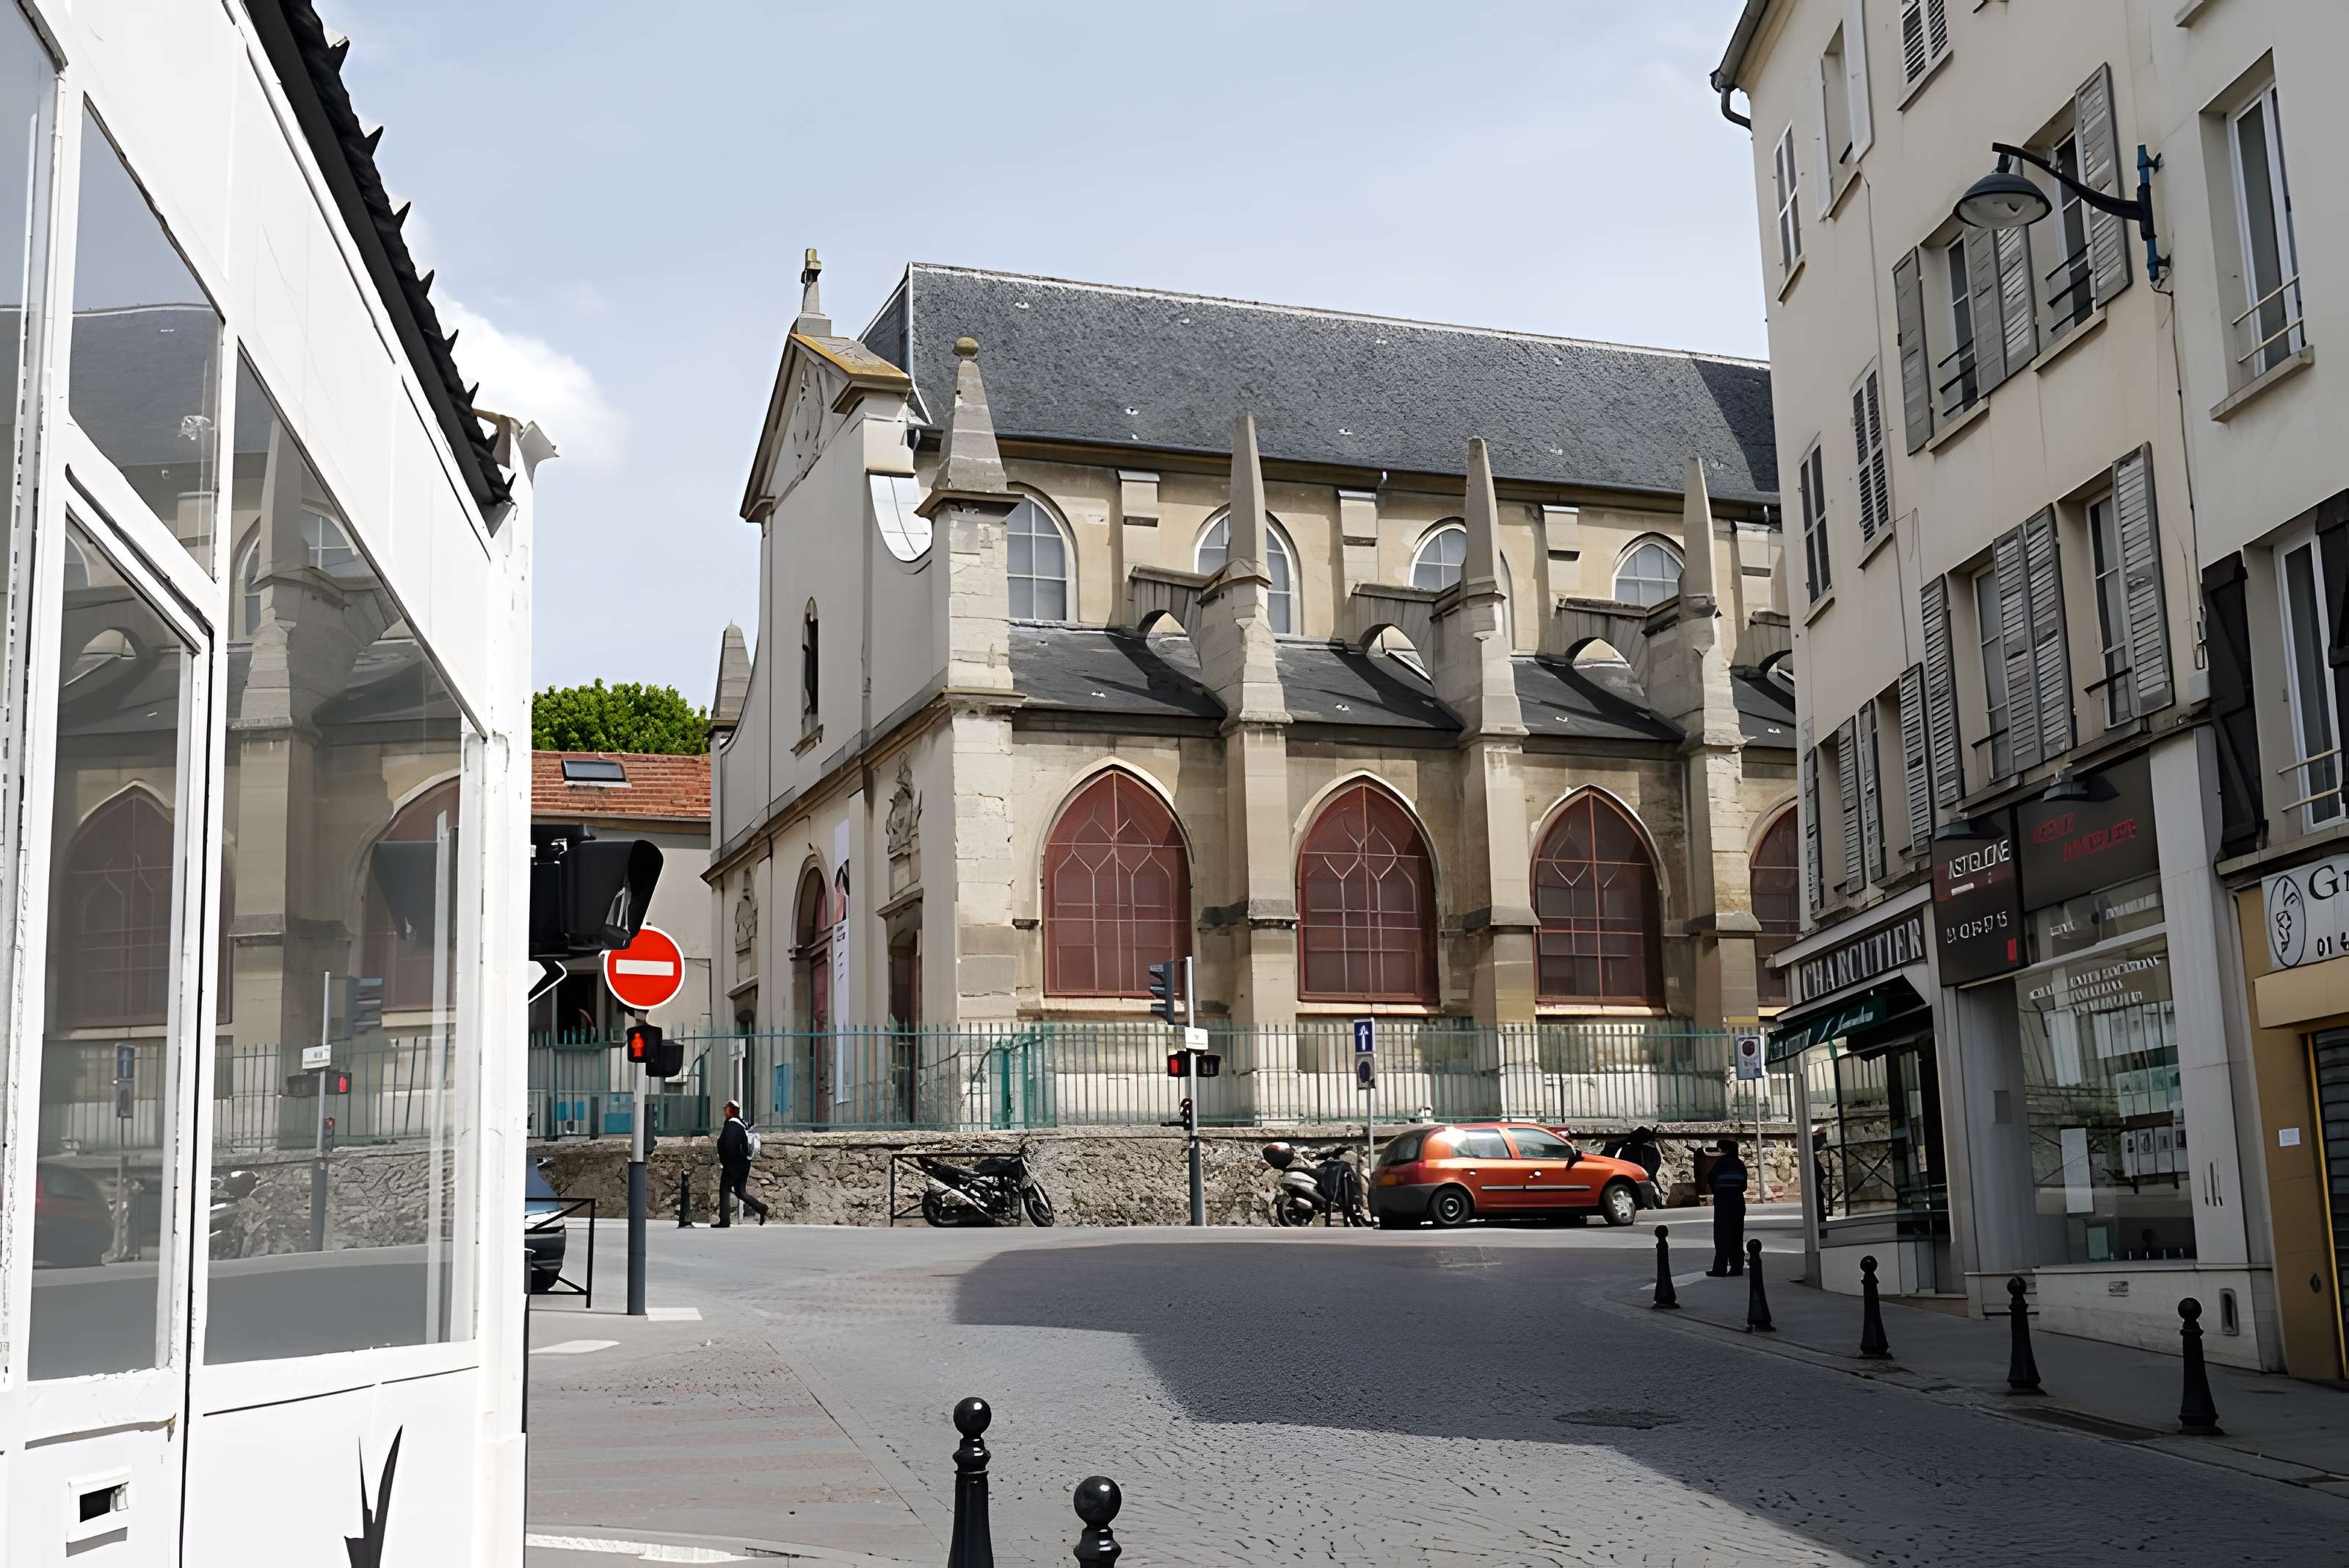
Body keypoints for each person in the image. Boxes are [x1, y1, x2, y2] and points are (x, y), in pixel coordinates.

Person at [714, 1101, 768, 1227]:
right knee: (740, 1192)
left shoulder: (730, 1126)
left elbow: (725, 1146)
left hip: (732, 1165)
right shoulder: (741, 1126)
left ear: (729, 1111)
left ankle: (724, 1221)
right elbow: (745, 1147)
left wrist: (726, 1162)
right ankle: (761, 1208)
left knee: (724, 1190)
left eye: (725, 1108)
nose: (724, 1111)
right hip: (743, 1165)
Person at [1705, 1135, 1749, 1277]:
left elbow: (1711, 1180)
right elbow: (1744, 1187)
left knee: (1721, 1236)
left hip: (1723, 1203)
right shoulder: (1740, 1164)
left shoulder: (1721, 1164)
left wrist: (1719, 1193)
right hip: (1737, 1202)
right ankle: (1737, 1267)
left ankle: (1720, 1268)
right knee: (1737, 1235)